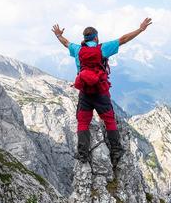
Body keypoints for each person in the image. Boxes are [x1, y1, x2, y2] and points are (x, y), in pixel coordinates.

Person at [52, 18, 153, 166]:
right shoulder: (103, 49)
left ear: (84, 38)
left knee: (83, 123)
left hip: (85, 93)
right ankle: (116, 150)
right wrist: (140, 29)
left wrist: (58, 35)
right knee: (109, 120)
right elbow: (123, 39)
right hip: (101, 93)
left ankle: (83, 154)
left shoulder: (78, 50)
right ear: (96, 37)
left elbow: (66, 43)